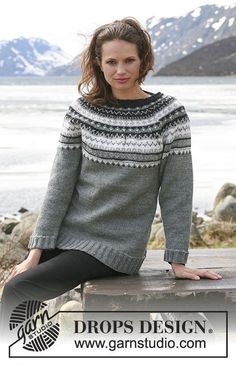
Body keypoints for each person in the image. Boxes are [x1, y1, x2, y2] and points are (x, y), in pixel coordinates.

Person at [0, 17, 222, 330]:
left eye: (129, 60)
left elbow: (176, 191)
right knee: (19, 280)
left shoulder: (169, 114)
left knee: (16, 290)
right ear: (98, 63)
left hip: (116, 248)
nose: (121, 70)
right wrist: (37, 249)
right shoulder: (81, 111)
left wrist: (177, 259)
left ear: (143, 60)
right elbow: (60, 184)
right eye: (112, 61)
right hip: (70, 235)